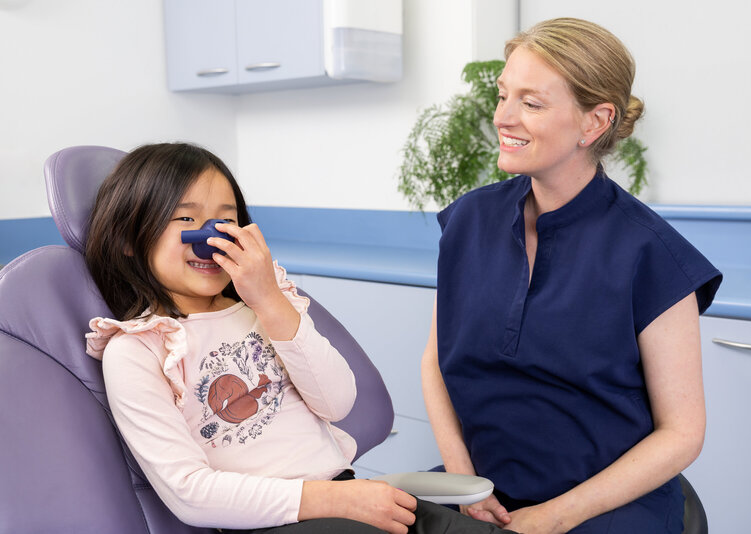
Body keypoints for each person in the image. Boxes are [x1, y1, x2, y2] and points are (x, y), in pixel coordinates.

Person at [83, 143, 512, 534]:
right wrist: (338, 500)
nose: (210, 235)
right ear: (127, 239)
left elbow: (338, 402)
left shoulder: (263, 308)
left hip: (350, 499)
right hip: (278, 522)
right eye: (186, 218)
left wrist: (269, 300)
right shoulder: (137, 349)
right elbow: (190, 493)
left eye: (225, 220)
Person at [421, 18, 722, 534]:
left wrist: (558, 515)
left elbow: (682, 433)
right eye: (503, 96)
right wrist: (462, 477)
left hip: (604, 506)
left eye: (531, 103)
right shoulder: (469, 220)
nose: (503, 117)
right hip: (483, 491)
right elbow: (435, 361)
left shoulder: (651, 253)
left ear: (594, 122)